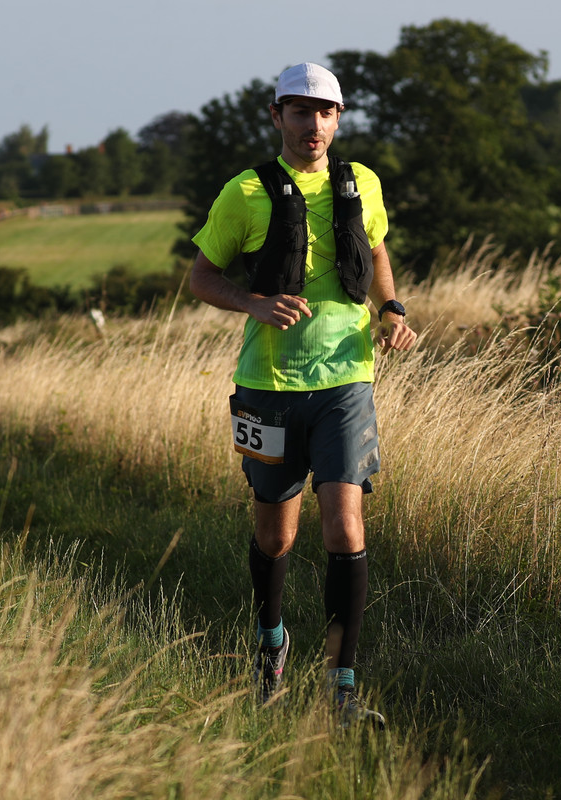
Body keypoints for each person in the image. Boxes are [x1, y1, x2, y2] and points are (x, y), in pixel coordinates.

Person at [188, 62, 417, 728]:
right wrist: (251, 302)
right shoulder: (245, 193)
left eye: (324, 112)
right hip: (269, 386)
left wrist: (393, 309)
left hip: (347, 381)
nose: (312, 124)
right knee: (275, 535)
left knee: (344, 526)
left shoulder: (362, 183)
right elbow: (202, 276)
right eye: (299, 111)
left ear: (338, 119)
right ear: (276, 116)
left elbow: (374, 252)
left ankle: (341, 685)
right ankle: (270, 641)